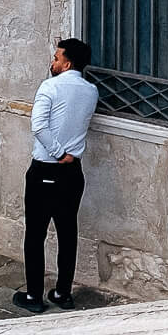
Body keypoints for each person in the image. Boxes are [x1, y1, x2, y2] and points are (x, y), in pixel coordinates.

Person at [14, 37, 99, 313]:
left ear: (67, 63)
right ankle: (63, 292)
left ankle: (34, 297)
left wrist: (58, 151)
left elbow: (38, 126)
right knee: (67, 232)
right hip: (73, 172)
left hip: (46, 170)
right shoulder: (91, 91)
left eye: (56, 57)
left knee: (35, 234)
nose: (53, 62)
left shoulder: (49, 87)